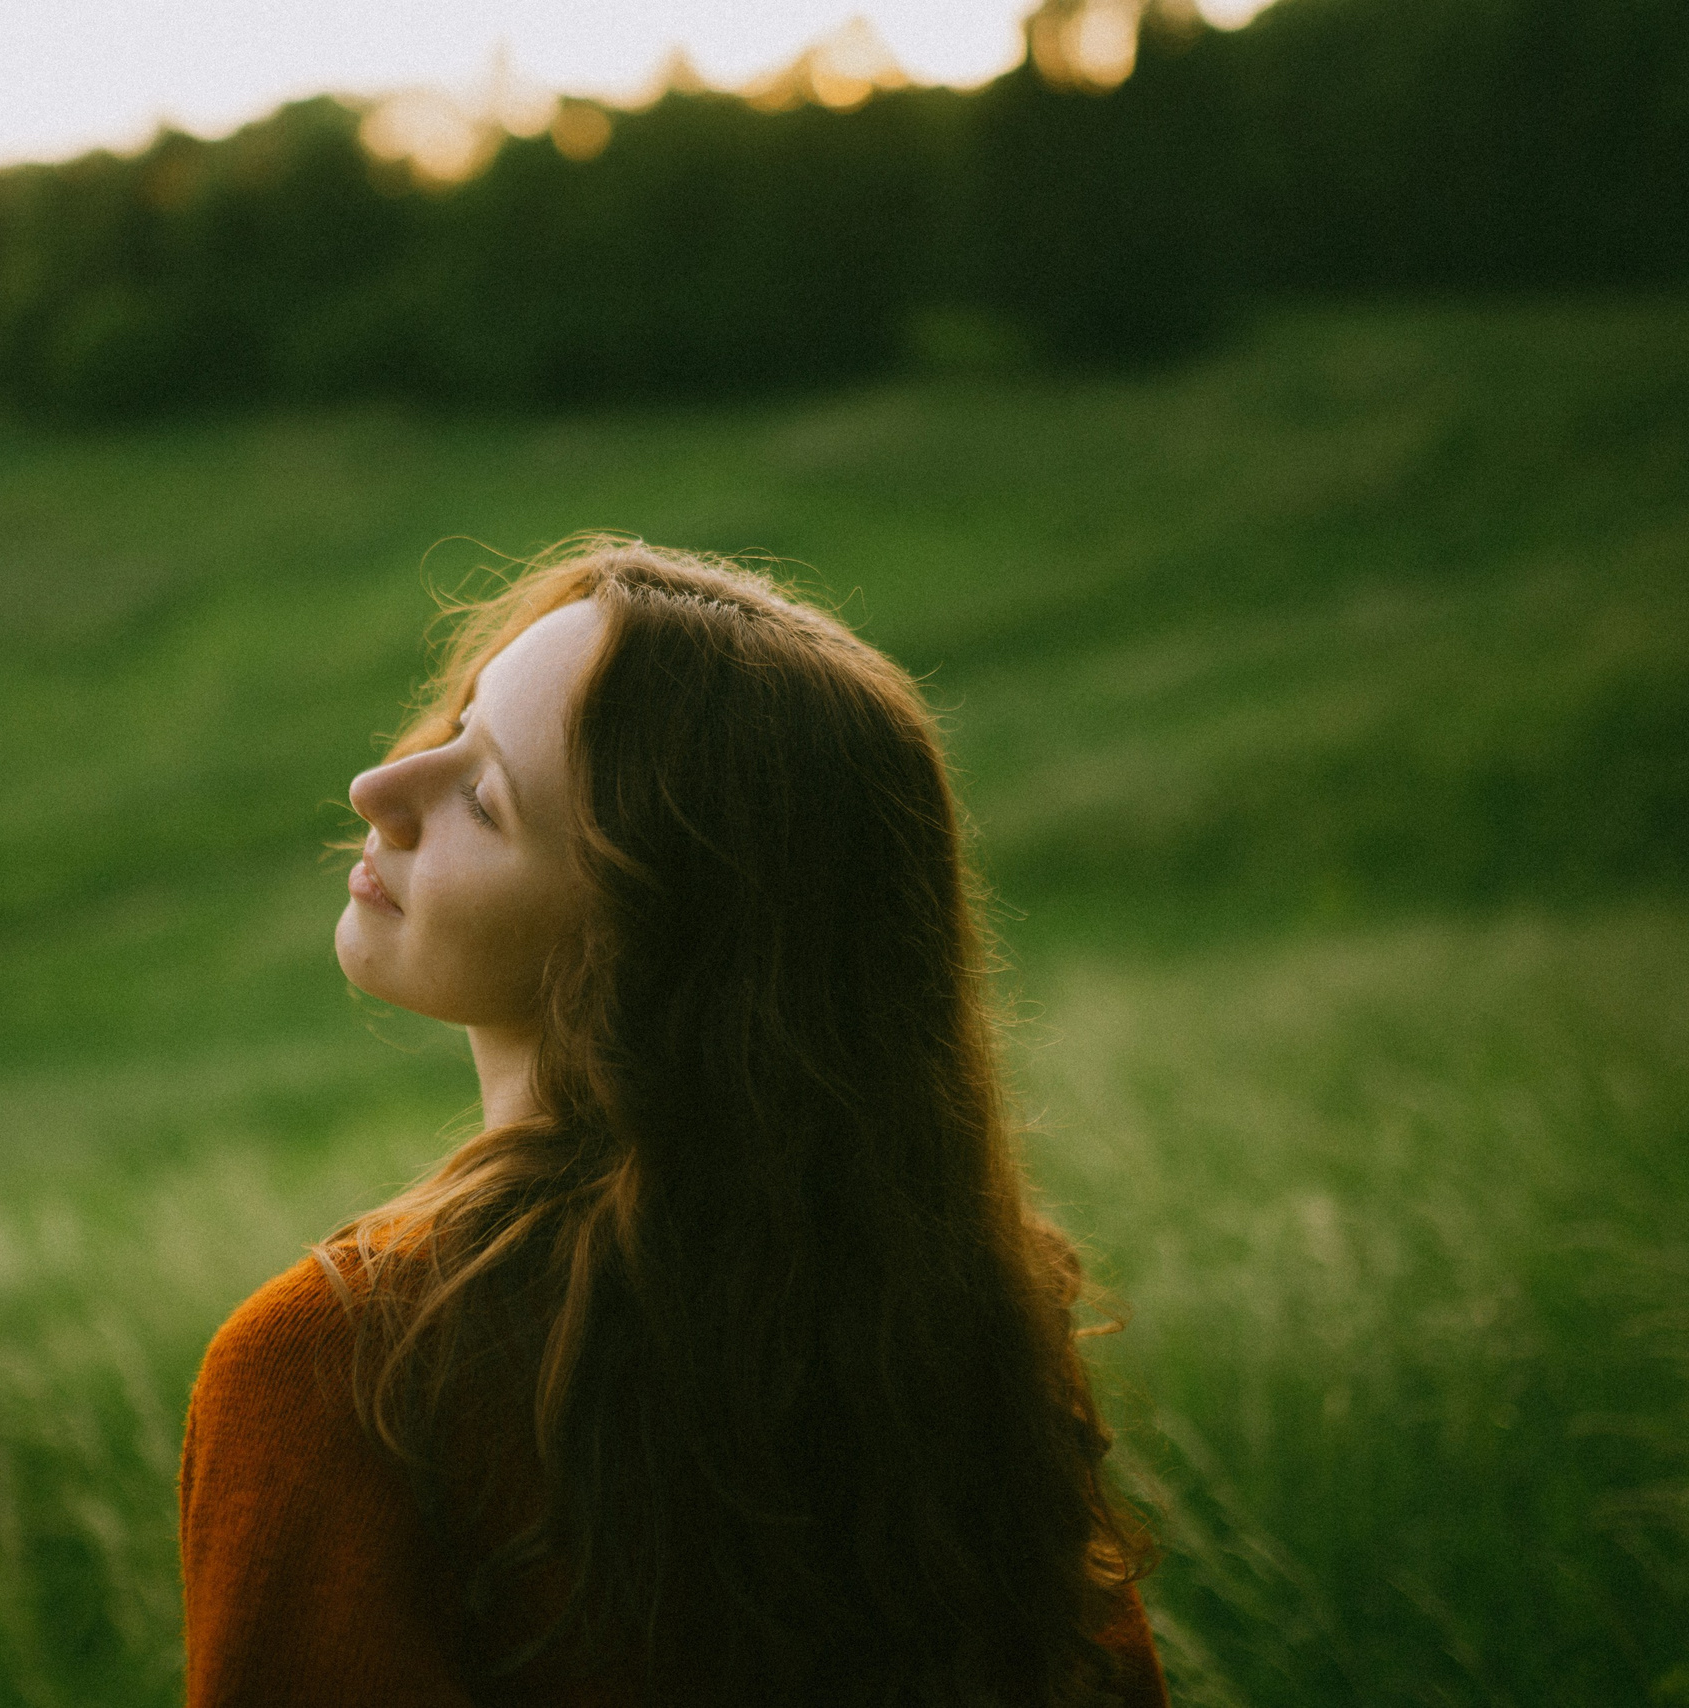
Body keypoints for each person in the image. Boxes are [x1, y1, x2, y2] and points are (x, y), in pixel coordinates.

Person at [179, 541, 1168, 1707]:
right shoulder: (954, 1322)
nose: (379, 791)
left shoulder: (342, 1373)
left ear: (647, 954)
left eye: (483, 799)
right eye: (454, 717)